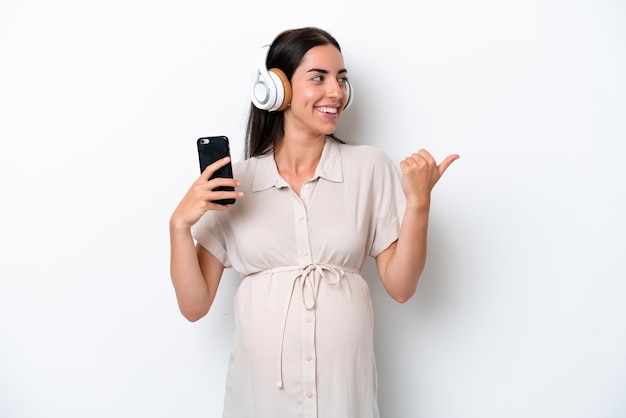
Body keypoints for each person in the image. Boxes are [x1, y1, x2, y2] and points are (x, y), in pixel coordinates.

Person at [169, 27, 459, 418]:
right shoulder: (236, 182)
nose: (336, 92)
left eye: (341, 79)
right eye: (318, 78)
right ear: (277, 88)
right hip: (260, 400)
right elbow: (194, 305)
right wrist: (179, 227)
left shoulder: (369, 167)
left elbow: (402, 286)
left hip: (345, 396)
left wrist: (419, 203)